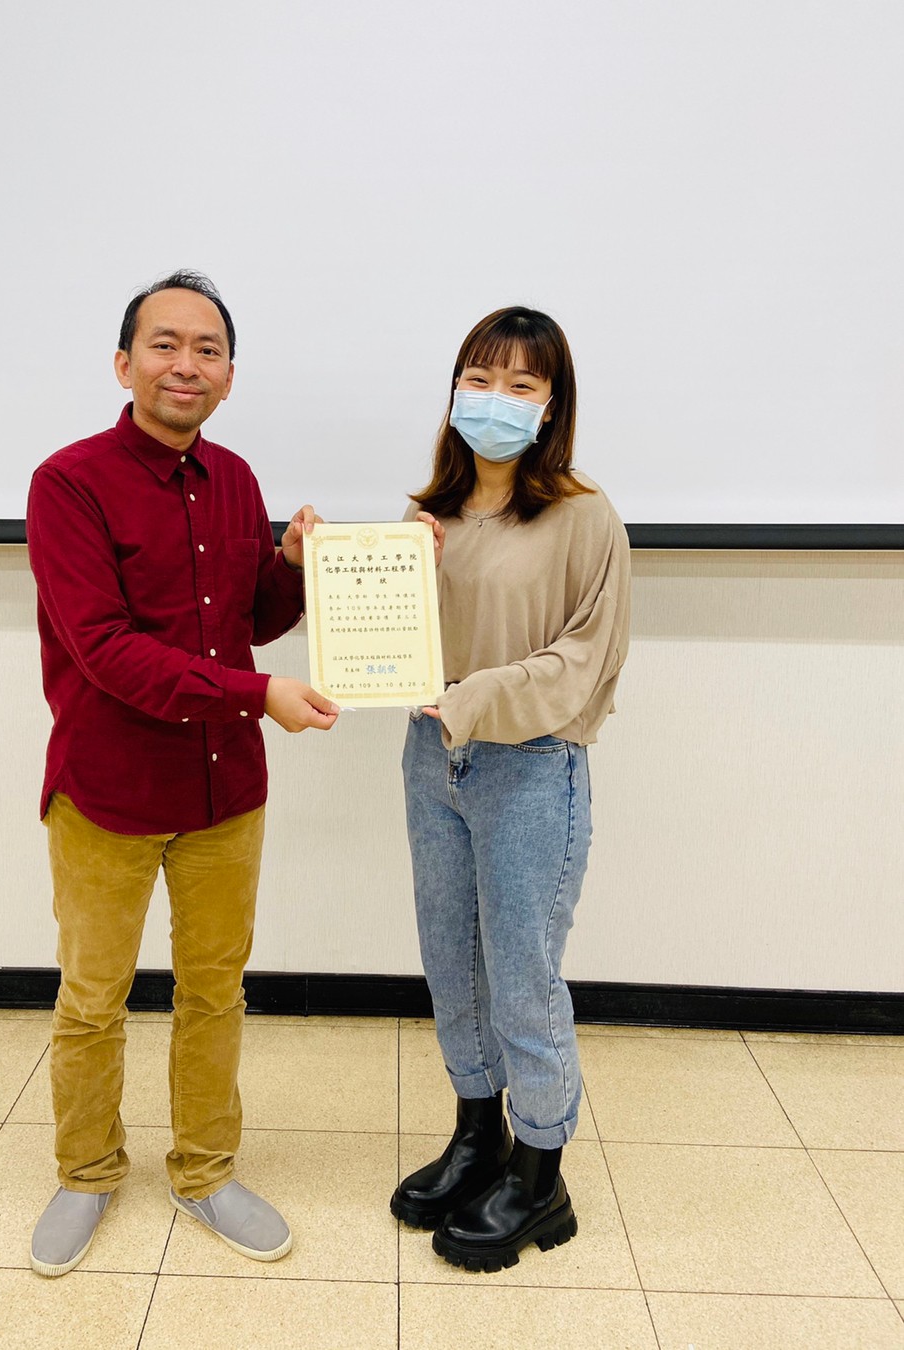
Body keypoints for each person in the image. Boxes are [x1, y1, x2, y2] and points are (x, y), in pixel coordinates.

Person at [25, 270, 338, 1277]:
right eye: (165, 344)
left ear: (230, 376)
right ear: (124, 364)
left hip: (222, 792)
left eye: (207, 350)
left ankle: (205, 1170)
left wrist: (292, 567)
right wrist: (258, 695)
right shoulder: (67, 483)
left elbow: (247, 620)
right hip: (107, 793)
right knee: (93, 996)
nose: (185, 365)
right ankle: (86, 1171)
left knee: (214, 991)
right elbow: (108, 651)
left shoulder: (236, 478)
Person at [391, 306, 630, 1272]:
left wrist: (478, 696)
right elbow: (389, 639)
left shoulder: (584, 514)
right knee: (453, 963)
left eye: (522, 385)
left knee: (523, 977)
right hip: (432, 760)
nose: (496, 400)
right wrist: (328, 560)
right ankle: (477, 1136)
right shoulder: (430, 516)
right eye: (480, 379)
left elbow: (587, 657)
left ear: (552, 405)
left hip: (531, 764)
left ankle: (539, 1175)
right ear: (455, 390)